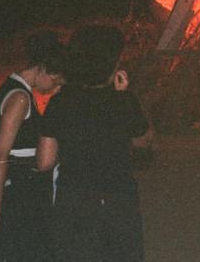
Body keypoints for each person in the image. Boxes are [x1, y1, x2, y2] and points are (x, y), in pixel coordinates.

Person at [37, 25, 153, 262]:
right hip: (117, 199)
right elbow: (144, 141)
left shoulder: (60, 102)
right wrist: (128, 99)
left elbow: (44, 161)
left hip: (74, 198)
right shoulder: (123, 101)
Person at [0, 31, 67, 260]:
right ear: (42, 68)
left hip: (23, 188)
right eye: (55, 81)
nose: (53, 88)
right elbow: (0, 155)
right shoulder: (19, 98)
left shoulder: (18, 89)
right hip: (18, 190)